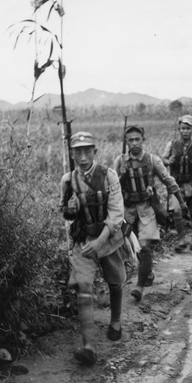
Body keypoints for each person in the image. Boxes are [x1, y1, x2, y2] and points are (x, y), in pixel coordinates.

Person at [60, 131, 127, 366]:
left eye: (87, 151)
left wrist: (100, 241)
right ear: (72, 154)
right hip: (83, 240)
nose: (83, 157)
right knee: (84, 287)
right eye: (78, 152)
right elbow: (66, 215)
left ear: (95, 152)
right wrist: (70, 208)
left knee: (115, 281)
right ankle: (88, 346)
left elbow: (117, 214)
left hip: (106, 238)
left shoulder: (109, 176)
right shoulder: (68, 180)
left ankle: (116, 321)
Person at [114, 125, 187, 302]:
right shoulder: (120, 162)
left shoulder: (152, 160)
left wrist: (182, 202)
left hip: (147, 211)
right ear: (126, 142)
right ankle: (148, 271)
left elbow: (169, 181)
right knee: (133, 248)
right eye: (130, 140)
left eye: (137, 139)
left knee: (145, 246)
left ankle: (139, 287)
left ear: (143, 140)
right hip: (128, 212)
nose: (134, 143)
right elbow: (112, 188)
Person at [162, 115, 192, 251]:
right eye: (183, 128)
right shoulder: (171, 145)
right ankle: (181, 239)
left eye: (188, 128)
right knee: (177, 210)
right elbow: (162, 159)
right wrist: (168, 161)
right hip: (177, 185)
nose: (185, 131)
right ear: (179, 129)